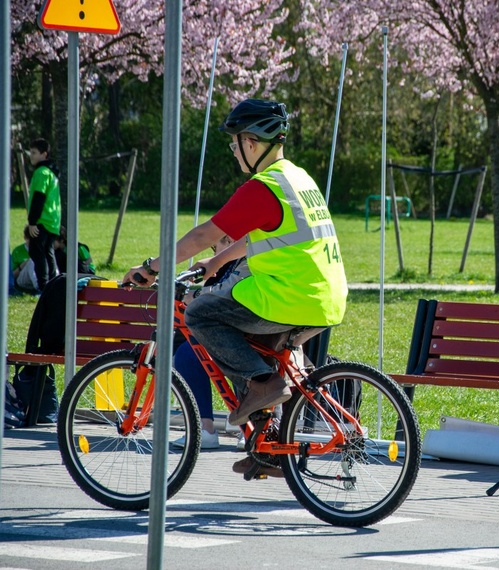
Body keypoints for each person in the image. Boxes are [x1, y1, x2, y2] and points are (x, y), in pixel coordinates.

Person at [123, 98, 348, 476]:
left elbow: (204, 235)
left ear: (251, 143)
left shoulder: (262, 188)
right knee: (249, 350)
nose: (234, 150)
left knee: (201, 313)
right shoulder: (297, 178)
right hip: (323, 297)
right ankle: (269, 447)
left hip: (287, 296)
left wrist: (151, 267)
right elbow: (262, 235)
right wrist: (216, 262)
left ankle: (262, 385)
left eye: (235, 143)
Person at [170, 234, 248, 451]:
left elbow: (229, 293)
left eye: (232, 242)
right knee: (188, 353)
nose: (227, 247)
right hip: (222, 334)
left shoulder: (251, 262)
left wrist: (196, 295)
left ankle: (250, 427)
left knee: (241, 356)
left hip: (254, 333)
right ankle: (204, 429)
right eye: (222, 243)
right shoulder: (220, 270)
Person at [26, 138, 62, 292]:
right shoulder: (52, 173)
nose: (31, 155)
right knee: (48, 253)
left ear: (44, 154)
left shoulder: (41, 172)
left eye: (34, 152)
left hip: (42, 220)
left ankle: (44, 287)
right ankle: (52, 287)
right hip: (53, 221)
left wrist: (32, 221)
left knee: (37, 253)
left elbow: (39, 198)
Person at [10, 227, 39, 294]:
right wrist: (23, 265)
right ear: (25, 238)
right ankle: (39, 287)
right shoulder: (17, 251)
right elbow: (12, 276)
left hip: (40, 276)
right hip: (22, 280)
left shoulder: (41, 248)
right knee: (31, 261)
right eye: (30, 239)